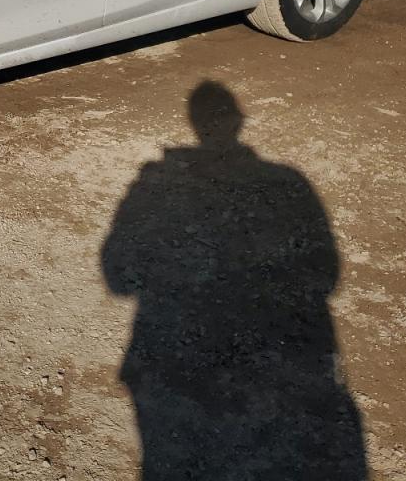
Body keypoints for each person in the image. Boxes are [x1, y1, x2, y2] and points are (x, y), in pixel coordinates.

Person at [101, 81, 367, 480]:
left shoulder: (154, 184)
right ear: (240, 122)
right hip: (273, 371)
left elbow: (117, 275)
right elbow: (326, 275)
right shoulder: (288, 182)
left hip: (178, 368)